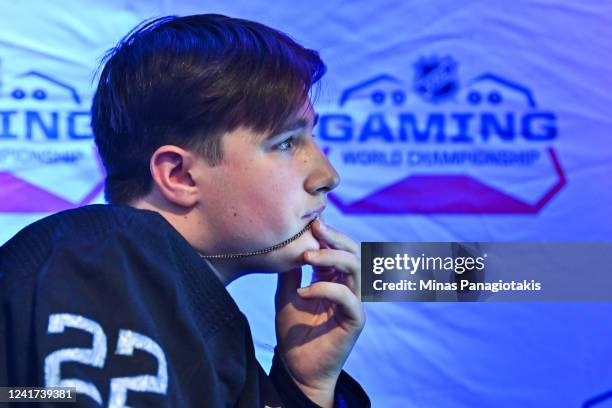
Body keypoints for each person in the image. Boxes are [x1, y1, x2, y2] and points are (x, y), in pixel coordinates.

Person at [0, 14, 370, 407]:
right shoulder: (98, 256)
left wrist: (306, 388)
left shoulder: (197, 324)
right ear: (179, 175)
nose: (328, 176)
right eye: (285, 143)